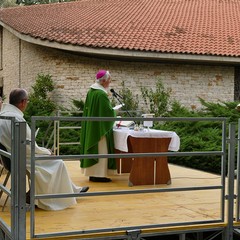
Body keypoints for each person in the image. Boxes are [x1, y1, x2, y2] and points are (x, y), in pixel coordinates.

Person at [0, 88, 89, 210]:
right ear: (23, 102)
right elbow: (28, 147)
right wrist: (47, 152)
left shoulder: (2, 116)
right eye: (27, 101)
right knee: (58, 162)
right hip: (22, 158)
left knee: (54, 161)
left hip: (11, 156)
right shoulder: (17, 119)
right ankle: (39, 197)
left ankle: (71, 190)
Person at [80, 70, 117, 182]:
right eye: (109, 79)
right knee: (101, 149)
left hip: (92, 126)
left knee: (97, 149)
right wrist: (114, 112)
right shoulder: (101, 94)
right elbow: (108, 113)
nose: (110, 82)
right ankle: (99, 175)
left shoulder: (91, 91)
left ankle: (92, 173)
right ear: (104, 80)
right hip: (99, 128)